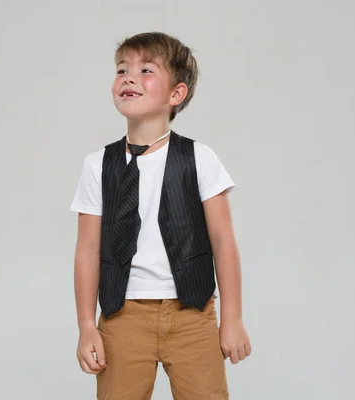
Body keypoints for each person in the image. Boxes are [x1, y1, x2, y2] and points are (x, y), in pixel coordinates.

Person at [70, 31, 251, 400]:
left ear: (176, 94)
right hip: (123, 316)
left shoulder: (198, 158)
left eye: (146, 70)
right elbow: (87, 250)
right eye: (122, 69)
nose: (129, 77)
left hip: (192, 314)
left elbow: (223, 242)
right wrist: (87, 326)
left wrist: (231, 319)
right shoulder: (97, 165)